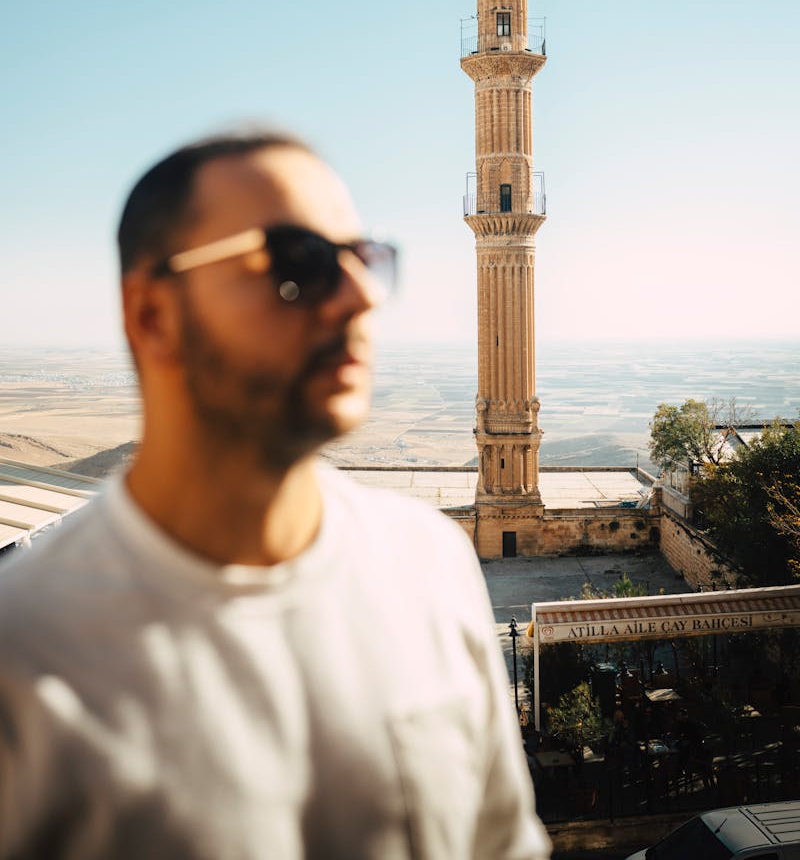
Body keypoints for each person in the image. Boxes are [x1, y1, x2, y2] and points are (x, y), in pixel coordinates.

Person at [0, 129, 551, 859]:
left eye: (365, 258)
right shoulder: (27, 652)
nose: (358, 296)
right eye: (300, 264)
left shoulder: (428, 568)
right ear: (153, 317)